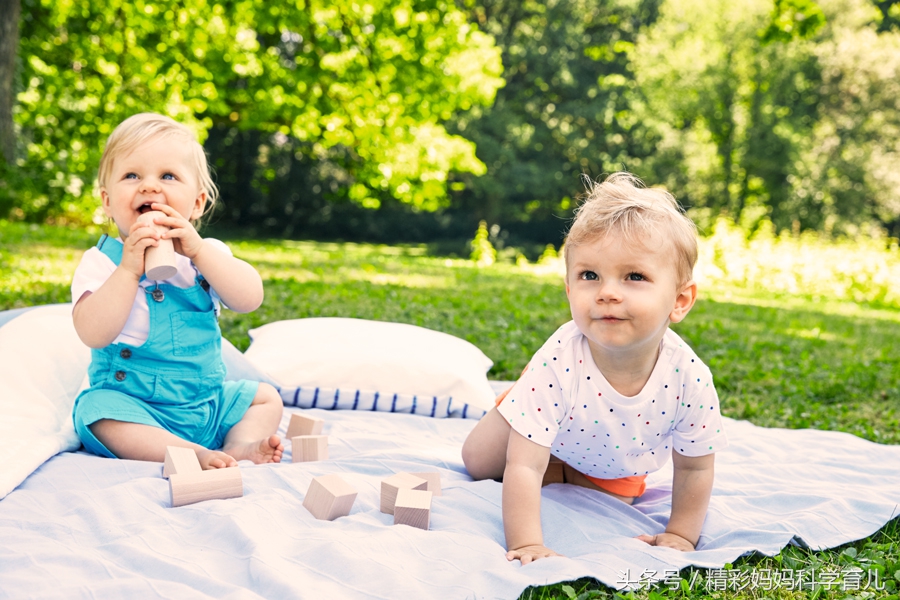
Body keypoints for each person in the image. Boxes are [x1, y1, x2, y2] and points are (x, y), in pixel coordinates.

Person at [461, 172, 727, 563]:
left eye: (634, 276)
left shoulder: (689, 378)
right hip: (547, 413)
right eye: (589, 275)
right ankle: (522, 404)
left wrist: (681, 534)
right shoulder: (560, 359)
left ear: (680, 300)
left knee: (613, 497)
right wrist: (526, 542)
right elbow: (522, 465)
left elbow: (694, 470)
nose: (607, 292)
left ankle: (559, 461)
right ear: (570, 289)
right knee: (479, 462)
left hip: (608, 455)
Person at [71, 113, 283, 470]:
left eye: (168, 176)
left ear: (197, 204)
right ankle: (189, 454)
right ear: (107, 202)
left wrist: (199, 252)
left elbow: (250, 299)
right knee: (95, 413)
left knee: (264, 397)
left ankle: (239, 445)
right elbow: (92, 333)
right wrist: (128, 270)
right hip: (137, 408)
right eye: (132, 175)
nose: (150, 187)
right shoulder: (103, 263)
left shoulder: (206, 254)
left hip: (206, 404)